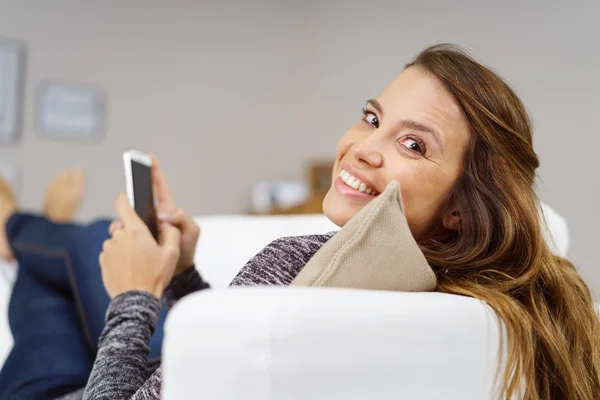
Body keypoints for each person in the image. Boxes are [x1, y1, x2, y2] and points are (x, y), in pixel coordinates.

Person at [1, 44, 599, 400]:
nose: (363, 146)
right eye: (371, 117)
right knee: (63, 262)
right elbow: (248, 347)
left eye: (413, 146)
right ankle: (25, 229)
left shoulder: (299, 257)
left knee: (49, 285)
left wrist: (136, 294)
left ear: (463, 207)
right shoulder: (455, 298)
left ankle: (16, 225)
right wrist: (183, 275)